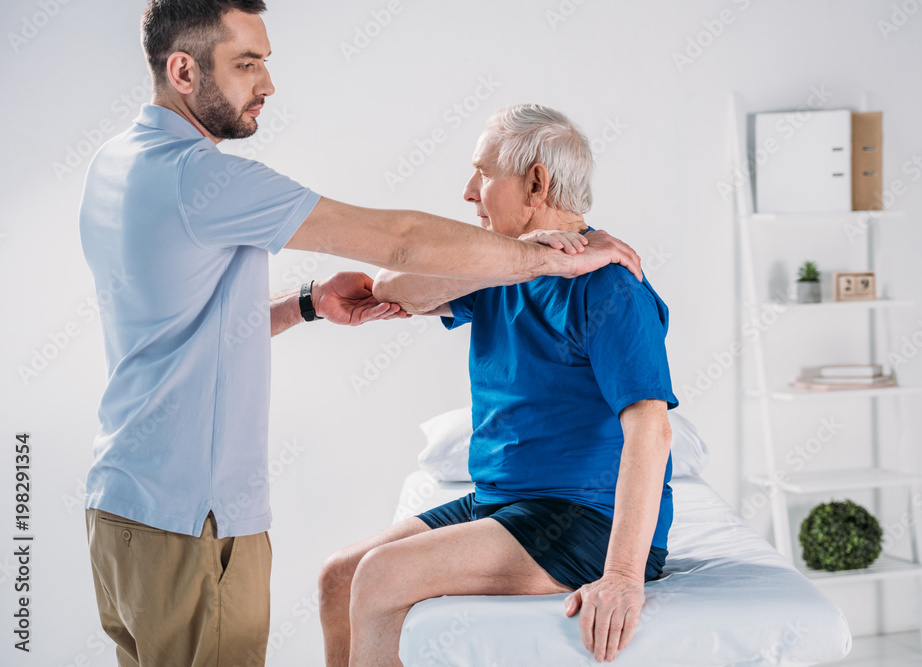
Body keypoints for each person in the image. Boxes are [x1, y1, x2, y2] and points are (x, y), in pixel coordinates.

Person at [80, 2, 643, 665]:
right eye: (246, 64)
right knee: (344, 579)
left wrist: (307, 303)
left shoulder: (113, 163)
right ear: (182, 70)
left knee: (345, 576)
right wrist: (550, 253)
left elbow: (186, 323)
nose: (267, 84)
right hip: (192, 520)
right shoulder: (203, 177)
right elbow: (399, 243)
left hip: (119, 512)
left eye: (264, 62)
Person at [318, 104, 677, 666]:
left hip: (584, 516)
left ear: (537, 182)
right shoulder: (501, 267)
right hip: (503, 504)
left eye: (483, 174)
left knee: (381, 576)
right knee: (339, 575)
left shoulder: (610, 286)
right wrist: (533, 258)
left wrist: (623, 577)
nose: (468, 191)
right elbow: (390, 285)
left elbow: (651, 431)